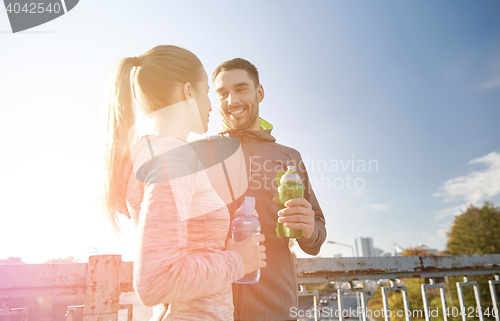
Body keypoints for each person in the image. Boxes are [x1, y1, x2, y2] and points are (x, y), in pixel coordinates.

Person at [102, 45, 266, 321]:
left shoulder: (152, 153)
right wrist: (238, 261)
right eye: (205, 93)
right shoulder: (172, 157)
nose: (212, 104)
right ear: (188, 92)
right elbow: (156, 280)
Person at [212, 58, 327, 321]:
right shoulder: (203, 154)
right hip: (214, 309)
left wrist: (309, 229)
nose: (231, 100)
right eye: (222, 93)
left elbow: (317, 236)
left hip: (275, 310)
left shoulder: (288, 157)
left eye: (241, 89)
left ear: (259, 92)